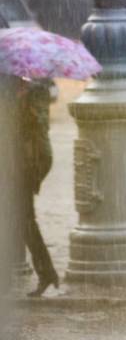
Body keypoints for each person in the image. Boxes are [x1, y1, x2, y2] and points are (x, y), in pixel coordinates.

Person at [18, 77, 58, 297]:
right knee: (24, 218)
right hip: (22, 161)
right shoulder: (18, 90)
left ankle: (46, 272)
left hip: (28, 163)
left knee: (24, 218)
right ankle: (46, 272)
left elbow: (38, 125)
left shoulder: (36, 91)